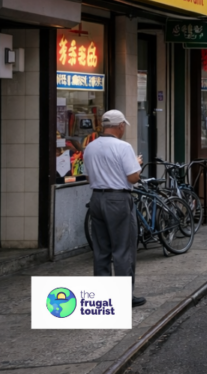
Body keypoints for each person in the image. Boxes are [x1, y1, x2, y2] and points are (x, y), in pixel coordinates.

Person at [83, 110, 146, 308]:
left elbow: (88, 177)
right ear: (120, 126)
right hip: (118, 199)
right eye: (124, 125)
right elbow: (133, 178)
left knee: (101, 249)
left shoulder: (90, 147)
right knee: (123, 249)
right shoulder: (123, 147)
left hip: (96, 198)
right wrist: (136, 165)